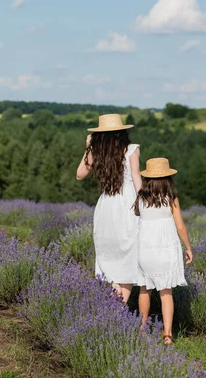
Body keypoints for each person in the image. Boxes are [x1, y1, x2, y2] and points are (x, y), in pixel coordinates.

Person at [76, 114, 141, 303]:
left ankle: (115, 301)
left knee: (110, 253)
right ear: (122, 132)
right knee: (128, 252)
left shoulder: (98, 152)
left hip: (107, 206)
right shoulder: (131, 150)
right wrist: (144, 202)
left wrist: (88, 147)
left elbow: (80, 174)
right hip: (128, 204)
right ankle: (119, 308)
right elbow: (136, 177)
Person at [134, 158, 193, 345]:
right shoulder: (170, 197)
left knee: (145, 289)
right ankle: (167, 334)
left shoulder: (141, 197)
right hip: (166, 249)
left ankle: (142, 329)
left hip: (145, 250)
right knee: (166, 292)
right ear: (167, 177)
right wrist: (188, 247)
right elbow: (180, 225)